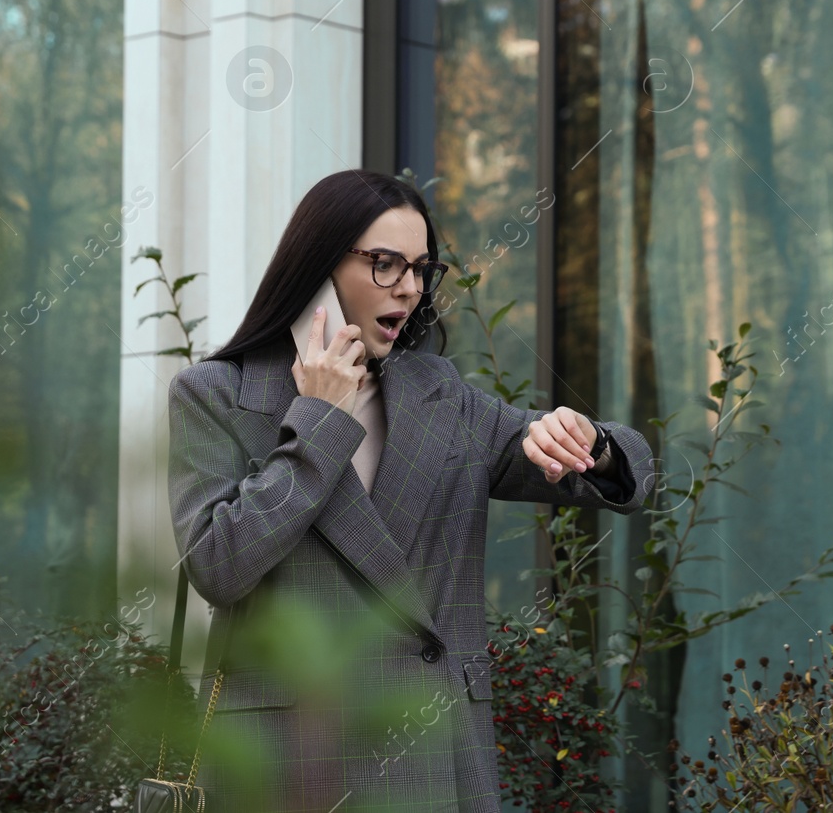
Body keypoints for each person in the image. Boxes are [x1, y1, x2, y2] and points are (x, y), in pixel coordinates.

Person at [167, 169, 653, 813]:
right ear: (319, 266)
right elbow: (218, 566)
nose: (411, 288)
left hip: (431, 759)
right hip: (284, 762)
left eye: (422, 268)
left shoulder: (439, 393)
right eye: (385, 264)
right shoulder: (218, 395)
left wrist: (588, 439)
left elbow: (623, 475)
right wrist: (320, 423)